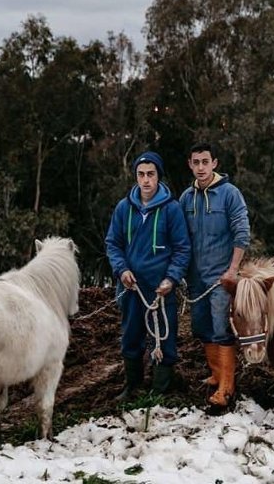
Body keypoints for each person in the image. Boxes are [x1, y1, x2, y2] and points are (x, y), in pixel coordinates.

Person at [105, 151, 191, 400]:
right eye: (141, 174)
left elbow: (182, 248)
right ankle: (132, 386)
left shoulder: (171, 210)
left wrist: (171, 278)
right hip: (132, 287)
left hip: (161, 288)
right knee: (131, 335)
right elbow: (113, 243)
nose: (145, 180)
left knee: (164, 336)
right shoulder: (124, 208)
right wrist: (121, 270)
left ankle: (159, 389)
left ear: (158, 176)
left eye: (150, 174)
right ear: (136, 177)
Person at [180, 142, 250, 408]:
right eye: (195, 162)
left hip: (221, 277)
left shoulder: (230, 194)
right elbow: (180, 236)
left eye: (205, 162)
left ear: (214, 163)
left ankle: (227, 388)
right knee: (201, 326)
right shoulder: (186, 198)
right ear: (190, 164)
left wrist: (232, 270)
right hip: (196, 278)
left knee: (221, 329)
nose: (200, 167)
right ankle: (216, 374)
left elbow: (242, 232)